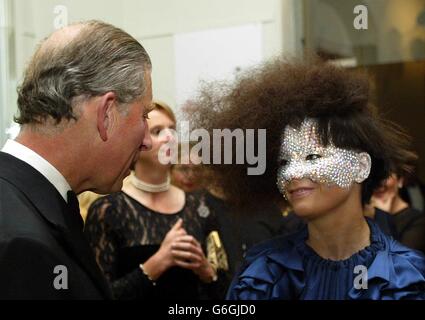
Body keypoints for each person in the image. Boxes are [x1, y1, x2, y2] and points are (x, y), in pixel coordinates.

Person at [187, 58, 425, 299]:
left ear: (360, 167)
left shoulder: (405, 278)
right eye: (284, 162)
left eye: (312, 156)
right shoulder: (262, 275)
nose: (292, 173)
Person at [0, 20, 152, 299]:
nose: (148, 141)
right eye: (144, 115)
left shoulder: (27, 203)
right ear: (107, 114)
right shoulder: (23, 244)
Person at [84, 101, 227, 300]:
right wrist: (157, 263)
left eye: (172, 129)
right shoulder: (108, 210)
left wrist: (206, 271)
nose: (169, 137)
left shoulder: (200, 206)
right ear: (137, 142)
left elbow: (224, 291)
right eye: (158, 131)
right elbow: (97, 295)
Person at [370, 174, 425, 253]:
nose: (379, 183)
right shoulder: (365, 215)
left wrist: (382, 215)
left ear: (400, 181)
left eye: (385, 175)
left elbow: (400, 260)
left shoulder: (419, 220)